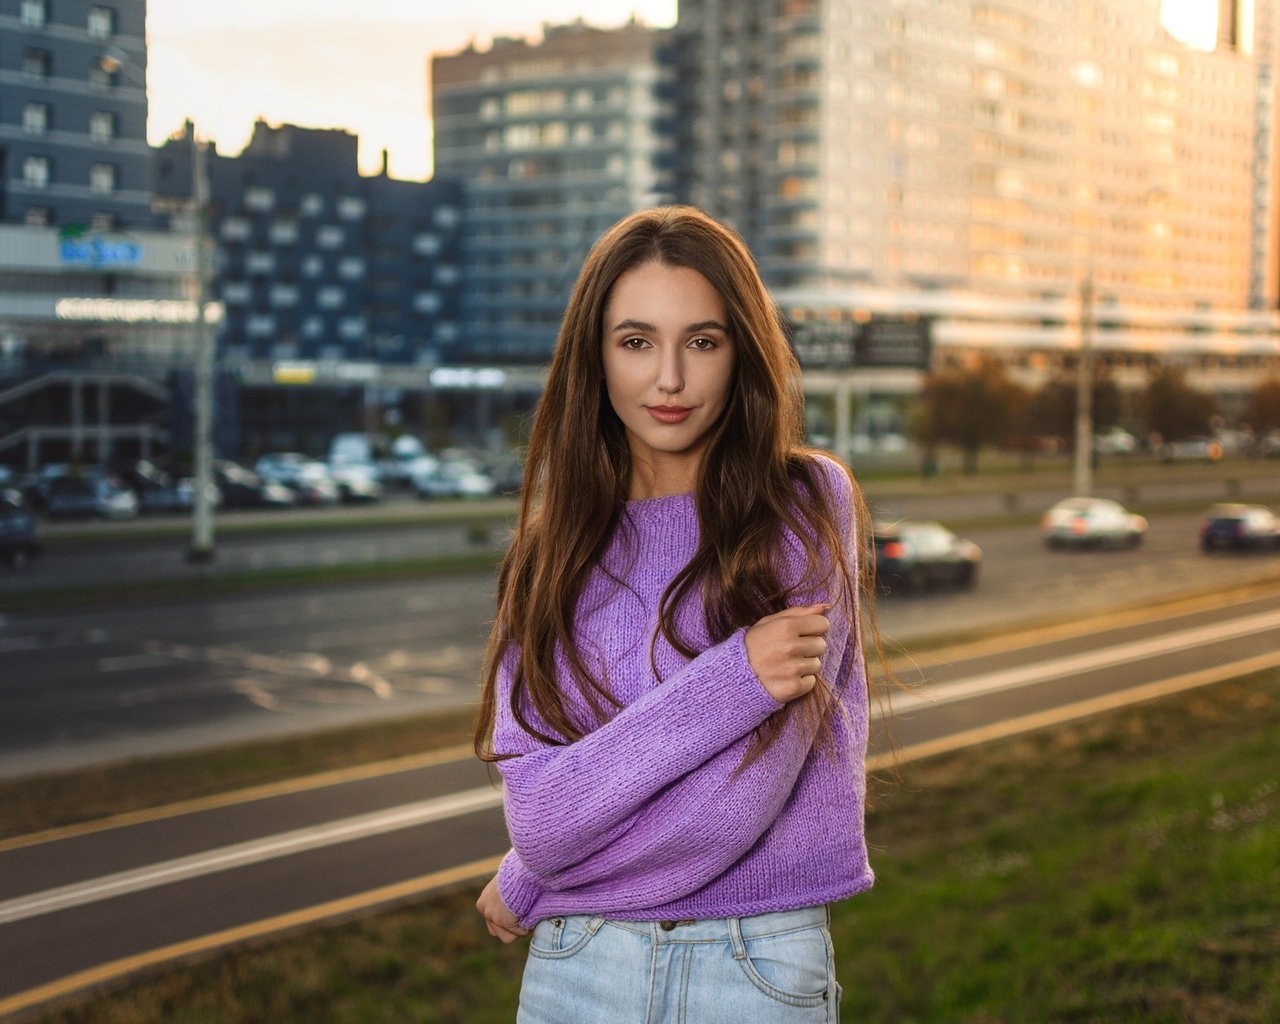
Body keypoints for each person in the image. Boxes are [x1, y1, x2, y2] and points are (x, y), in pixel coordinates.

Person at [473, 205, 877, 1023]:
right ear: (595, 358)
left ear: (741, 353)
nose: (668, 379)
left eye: (702, 340)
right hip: (575, 966)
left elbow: (731, 814)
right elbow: (543, 819)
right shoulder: (547, 557)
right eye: (635, 342)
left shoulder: (803, 506)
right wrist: (738, 679)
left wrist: (536, 870)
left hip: (752, 965)